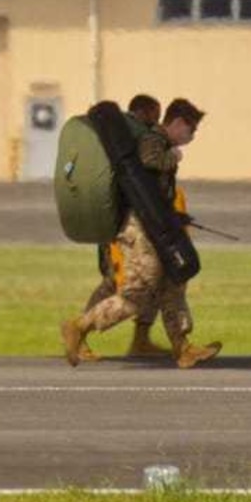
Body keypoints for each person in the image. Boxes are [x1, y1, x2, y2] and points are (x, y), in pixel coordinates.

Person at [62, 98, 221, 369]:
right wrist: (174, 157)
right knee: (136, 293)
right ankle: (79, 326)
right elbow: (149, 160)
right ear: (179, 123)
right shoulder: (153, 139)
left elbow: (154, 190)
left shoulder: (159, 141)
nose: (191, 137)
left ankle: (183, 348)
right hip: (141, 228)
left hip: (156, 223)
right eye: (191, 130)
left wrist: (175, 216)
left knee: (173, 283)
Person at [77, 94, 165, 363]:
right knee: (115, 283)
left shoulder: (120, 139)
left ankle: (141, 339)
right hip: (122, 223)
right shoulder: (132, 138)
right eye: (154, 114)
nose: (157, 120)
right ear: (144, 111)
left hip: (120, 219)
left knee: (151, 281)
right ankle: (78, 333)